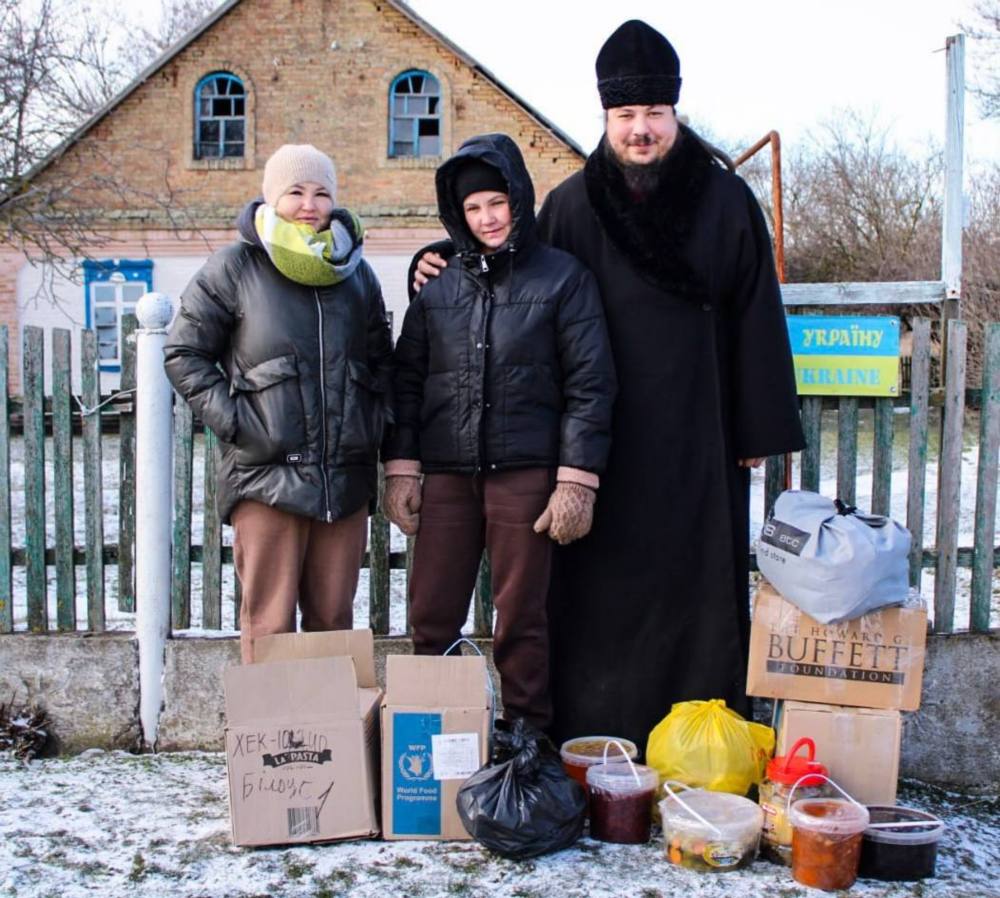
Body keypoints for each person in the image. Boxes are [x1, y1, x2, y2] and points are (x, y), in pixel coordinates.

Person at [411, 22, 805, 752]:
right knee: (593, 591)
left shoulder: (725, 202)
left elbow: (757, 313)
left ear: (675, 114)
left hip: (698, 432)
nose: (641, 130)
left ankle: (697, 739)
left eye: (653, 115)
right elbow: (508, 273)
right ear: (606, 119)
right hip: (592, 442)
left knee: (695, 590)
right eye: (626, 117)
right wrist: (442, 261)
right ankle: (594, 737)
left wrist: (760, 431)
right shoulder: (567, 207)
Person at [382, 133, 616, 729]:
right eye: (472, 208)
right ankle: (427, 739)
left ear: (518, 199)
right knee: (431, 612)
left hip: (525, 475)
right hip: (449, 476)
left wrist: (577, 480)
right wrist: (402, 469)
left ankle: (527, 737)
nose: (487, 218)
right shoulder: (436, 291)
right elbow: (408, 384)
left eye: (496, 202)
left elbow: (591, 384)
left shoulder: (563, 280)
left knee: (521, 618)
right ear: (456, 214)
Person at [164, 143, 393, 662]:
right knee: (269, 625)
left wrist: (372, 424)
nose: (310, 204)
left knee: (333, 624)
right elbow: (184, 352)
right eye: (295, 192)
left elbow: (382, 364)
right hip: (266, 478)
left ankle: (333, 740)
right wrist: (241, 423)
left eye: (321, 193)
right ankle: (270, 742)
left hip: (343, 479)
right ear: (271, 198)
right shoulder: (234, 267)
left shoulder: (357, 274)